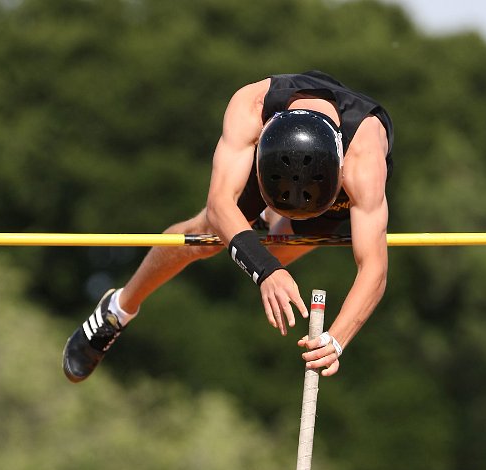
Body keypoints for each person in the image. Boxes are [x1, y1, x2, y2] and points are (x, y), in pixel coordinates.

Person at [63, 70, 394, 383]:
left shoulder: (363, 161)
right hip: (267, 167)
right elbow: (219, 205)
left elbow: (374, 269)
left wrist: (336, 340)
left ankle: (268, 218)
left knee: (281, 249)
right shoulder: (251, 107)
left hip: (336, 182)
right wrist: (266, 271)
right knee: (205, 238)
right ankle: (117, 310)